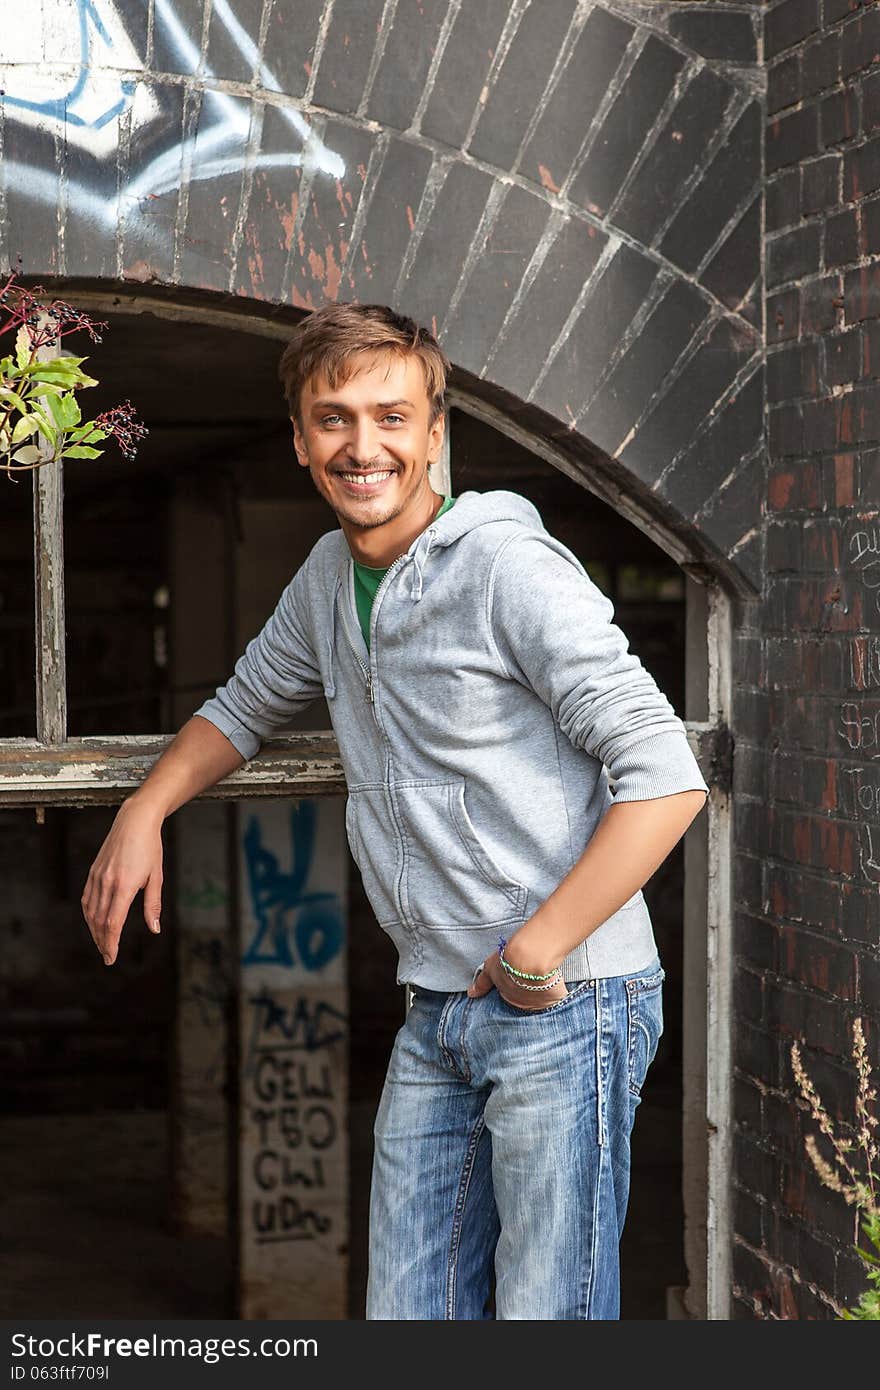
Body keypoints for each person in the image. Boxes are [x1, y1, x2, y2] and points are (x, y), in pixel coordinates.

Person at [81, 302, 709, 1320]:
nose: (361, 445)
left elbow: (664, 770)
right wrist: (142, 810)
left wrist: (535, 951)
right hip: (438, 1008)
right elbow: (242, 706)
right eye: (333, 419)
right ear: (299, 439)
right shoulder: (330, 579)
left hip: (568, 1000)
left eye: (390, 416)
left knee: (548, 1313)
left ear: (433, 432)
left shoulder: (507, 568)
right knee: (408, 1312)